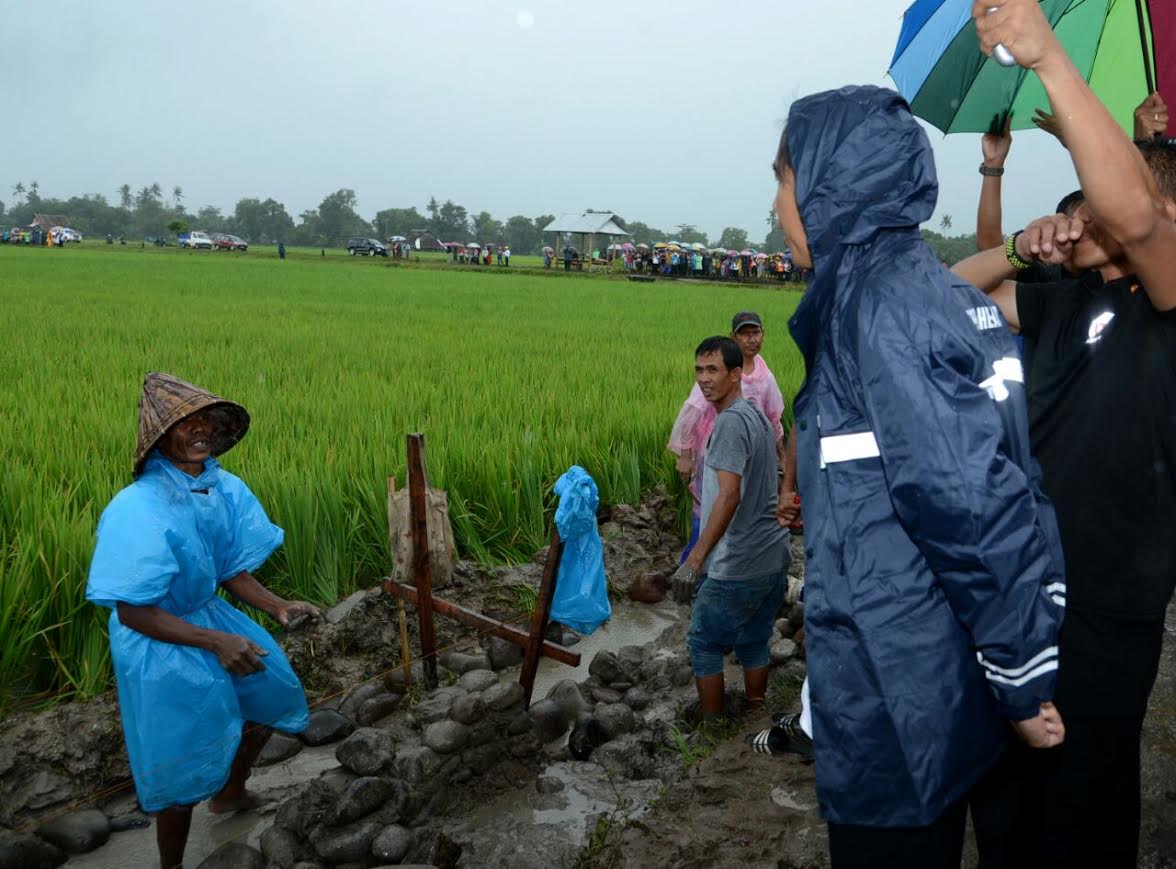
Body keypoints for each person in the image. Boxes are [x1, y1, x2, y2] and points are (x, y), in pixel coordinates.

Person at [775, 85, 1066, 867]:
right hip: (931, 653)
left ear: (832, 181)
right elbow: (1014, 469)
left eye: (784, 181)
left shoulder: (876, 304)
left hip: (895, 678)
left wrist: (1021, 664)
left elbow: (966, 497)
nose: (776, 206)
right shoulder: (917, 288)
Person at [966, 4, 1176, 864]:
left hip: (1106, 608)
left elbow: (1138, 221)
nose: (1085, 215)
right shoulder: (1064, 302)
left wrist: (1047, 54)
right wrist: (1018, 242)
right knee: (1005, 804)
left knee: (1084, 810)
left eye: (1094, 199)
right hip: (1019, 589)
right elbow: (951, 297)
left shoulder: (1167, 307)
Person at [86, 373, 319, 869]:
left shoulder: (219, 487)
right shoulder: (137, 508)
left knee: (269, 687)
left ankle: (231, 792)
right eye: (185, 423)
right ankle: (172, 862)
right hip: (156, 635)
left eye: (207, 421)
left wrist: (277, 606)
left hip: (206, 615)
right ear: (159, 438)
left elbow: (229, 568)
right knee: (180, 752)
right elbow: (133, 610)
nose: (199, 431)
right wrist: (216, 642)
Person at [671, 336, 790, 719]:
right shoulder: (755, 414)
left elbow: (728, 496)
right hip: (773, 558)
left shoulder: (729, 425)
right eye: (699, 371)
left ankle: (712, 727)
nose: (704, 379)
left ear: (736, 374)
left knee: (703, 641)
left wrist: (696, 560)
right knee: (754, 641)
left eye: (713, 370)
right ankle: (755, 714)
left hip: (740, 562)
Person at [668, 311, 787, 561]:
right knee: (709, 504)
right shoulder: (717, 372)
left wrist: (782, 457)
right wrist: (686, 455)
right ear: (734, 337)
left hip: (749, 453)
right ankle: (695, 565)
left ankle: (731, 563)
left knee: (739, 506)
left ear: (763, 335)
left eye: (756, 333)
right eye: (745, 334)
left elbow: (773, 418)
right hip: (712, 450)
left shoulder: (765, 376)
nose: (751, 339)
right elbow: (693, 411)